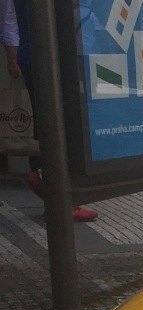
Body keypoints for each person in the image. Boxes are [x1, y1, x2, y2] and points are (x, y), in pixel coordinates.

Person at [12, 0, 98, 221]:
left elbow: (9, 20)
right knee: (67, 124)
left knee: (46, 120)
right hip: (56, 56)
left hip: (30, 55)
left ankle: (42, 178)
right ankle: (64, 198)